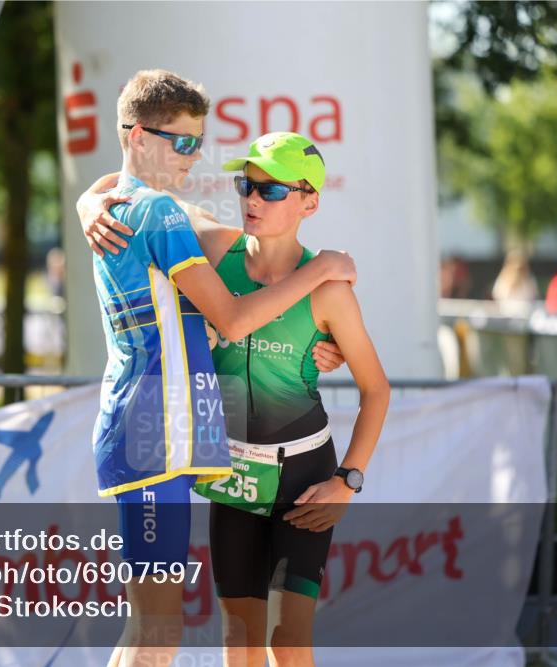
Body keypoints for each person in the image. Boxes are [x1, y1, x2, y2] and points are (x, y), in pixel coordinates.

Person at [81, 130, 389, 667]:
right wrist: (88, 203)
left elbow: (376, 389)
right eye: (246, 184)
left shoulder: (330, 290)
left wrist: (349, 480)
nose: (251, 199)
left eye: (270, 191)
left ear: (309, 201)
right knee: (239, 646)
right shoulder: (215, 247)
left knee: (288, 645)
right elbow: (129, 185)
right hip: (234, 475)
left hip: (303, 480)